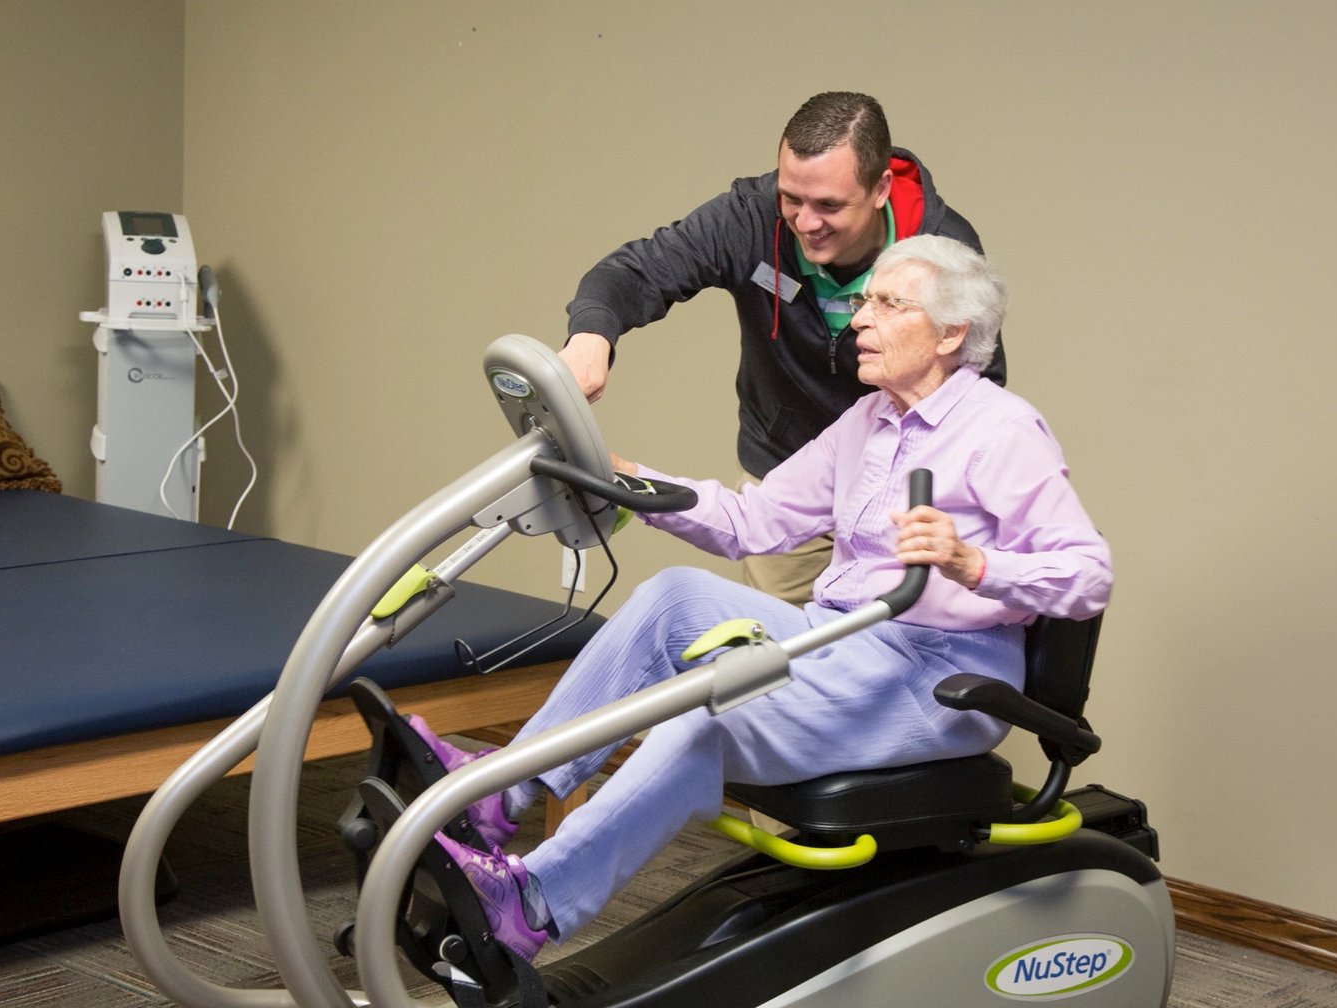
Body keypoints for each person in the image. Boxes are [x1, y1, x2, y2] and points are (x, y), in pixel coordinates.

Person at [418, 236, 1108, 961]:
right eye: (864, 299)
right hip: (841, 635)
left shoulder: (1001, 429)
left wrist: (975, 562)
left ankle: (530, 902)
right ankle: (498, 799)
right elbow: (756, 520)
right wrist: (634, 482)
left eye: (886, 303)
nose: (858, 319)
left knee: (703, 715)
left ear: (950, 333)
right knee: (674, 595)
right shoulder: (868, 421)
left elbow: (1088, 573)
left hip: (936, 680)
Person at [557, 91, 1005, 606]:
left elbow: (978, 387)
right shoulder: (749, 218)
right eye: (792, 198)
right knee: (774, 662)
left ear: (880, 187)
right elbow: (633, 272)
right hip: (786, 476)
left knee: (881, 661)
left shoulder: (941, 248)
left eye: (830, 205)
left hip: (898, 496)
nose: (806, 222)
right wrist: (591, 337)